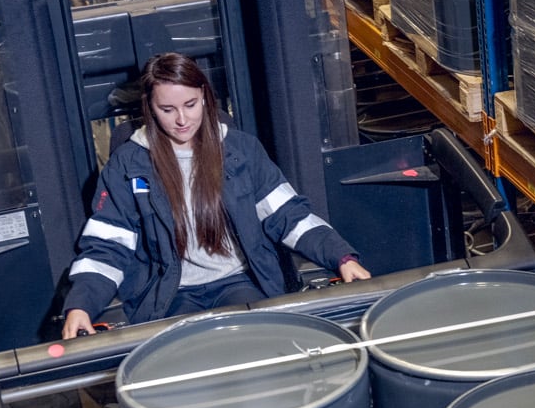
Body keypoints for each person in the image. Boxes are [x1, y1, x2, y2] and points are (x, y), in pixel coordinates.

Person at [61, 53, 369, 338]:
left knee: (260, 341)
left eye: (191, 104)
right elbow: (106, 246)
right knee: (186, 358)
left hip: (237, 281)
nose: (182, 119)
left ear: (206, 98)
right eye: (167, 109)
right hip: (171, 293)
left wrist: (340, 256)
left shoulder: (241, 151)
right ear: (150, 108)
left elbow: (289, 215)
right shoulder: (127, 166)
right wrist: (81, 305)